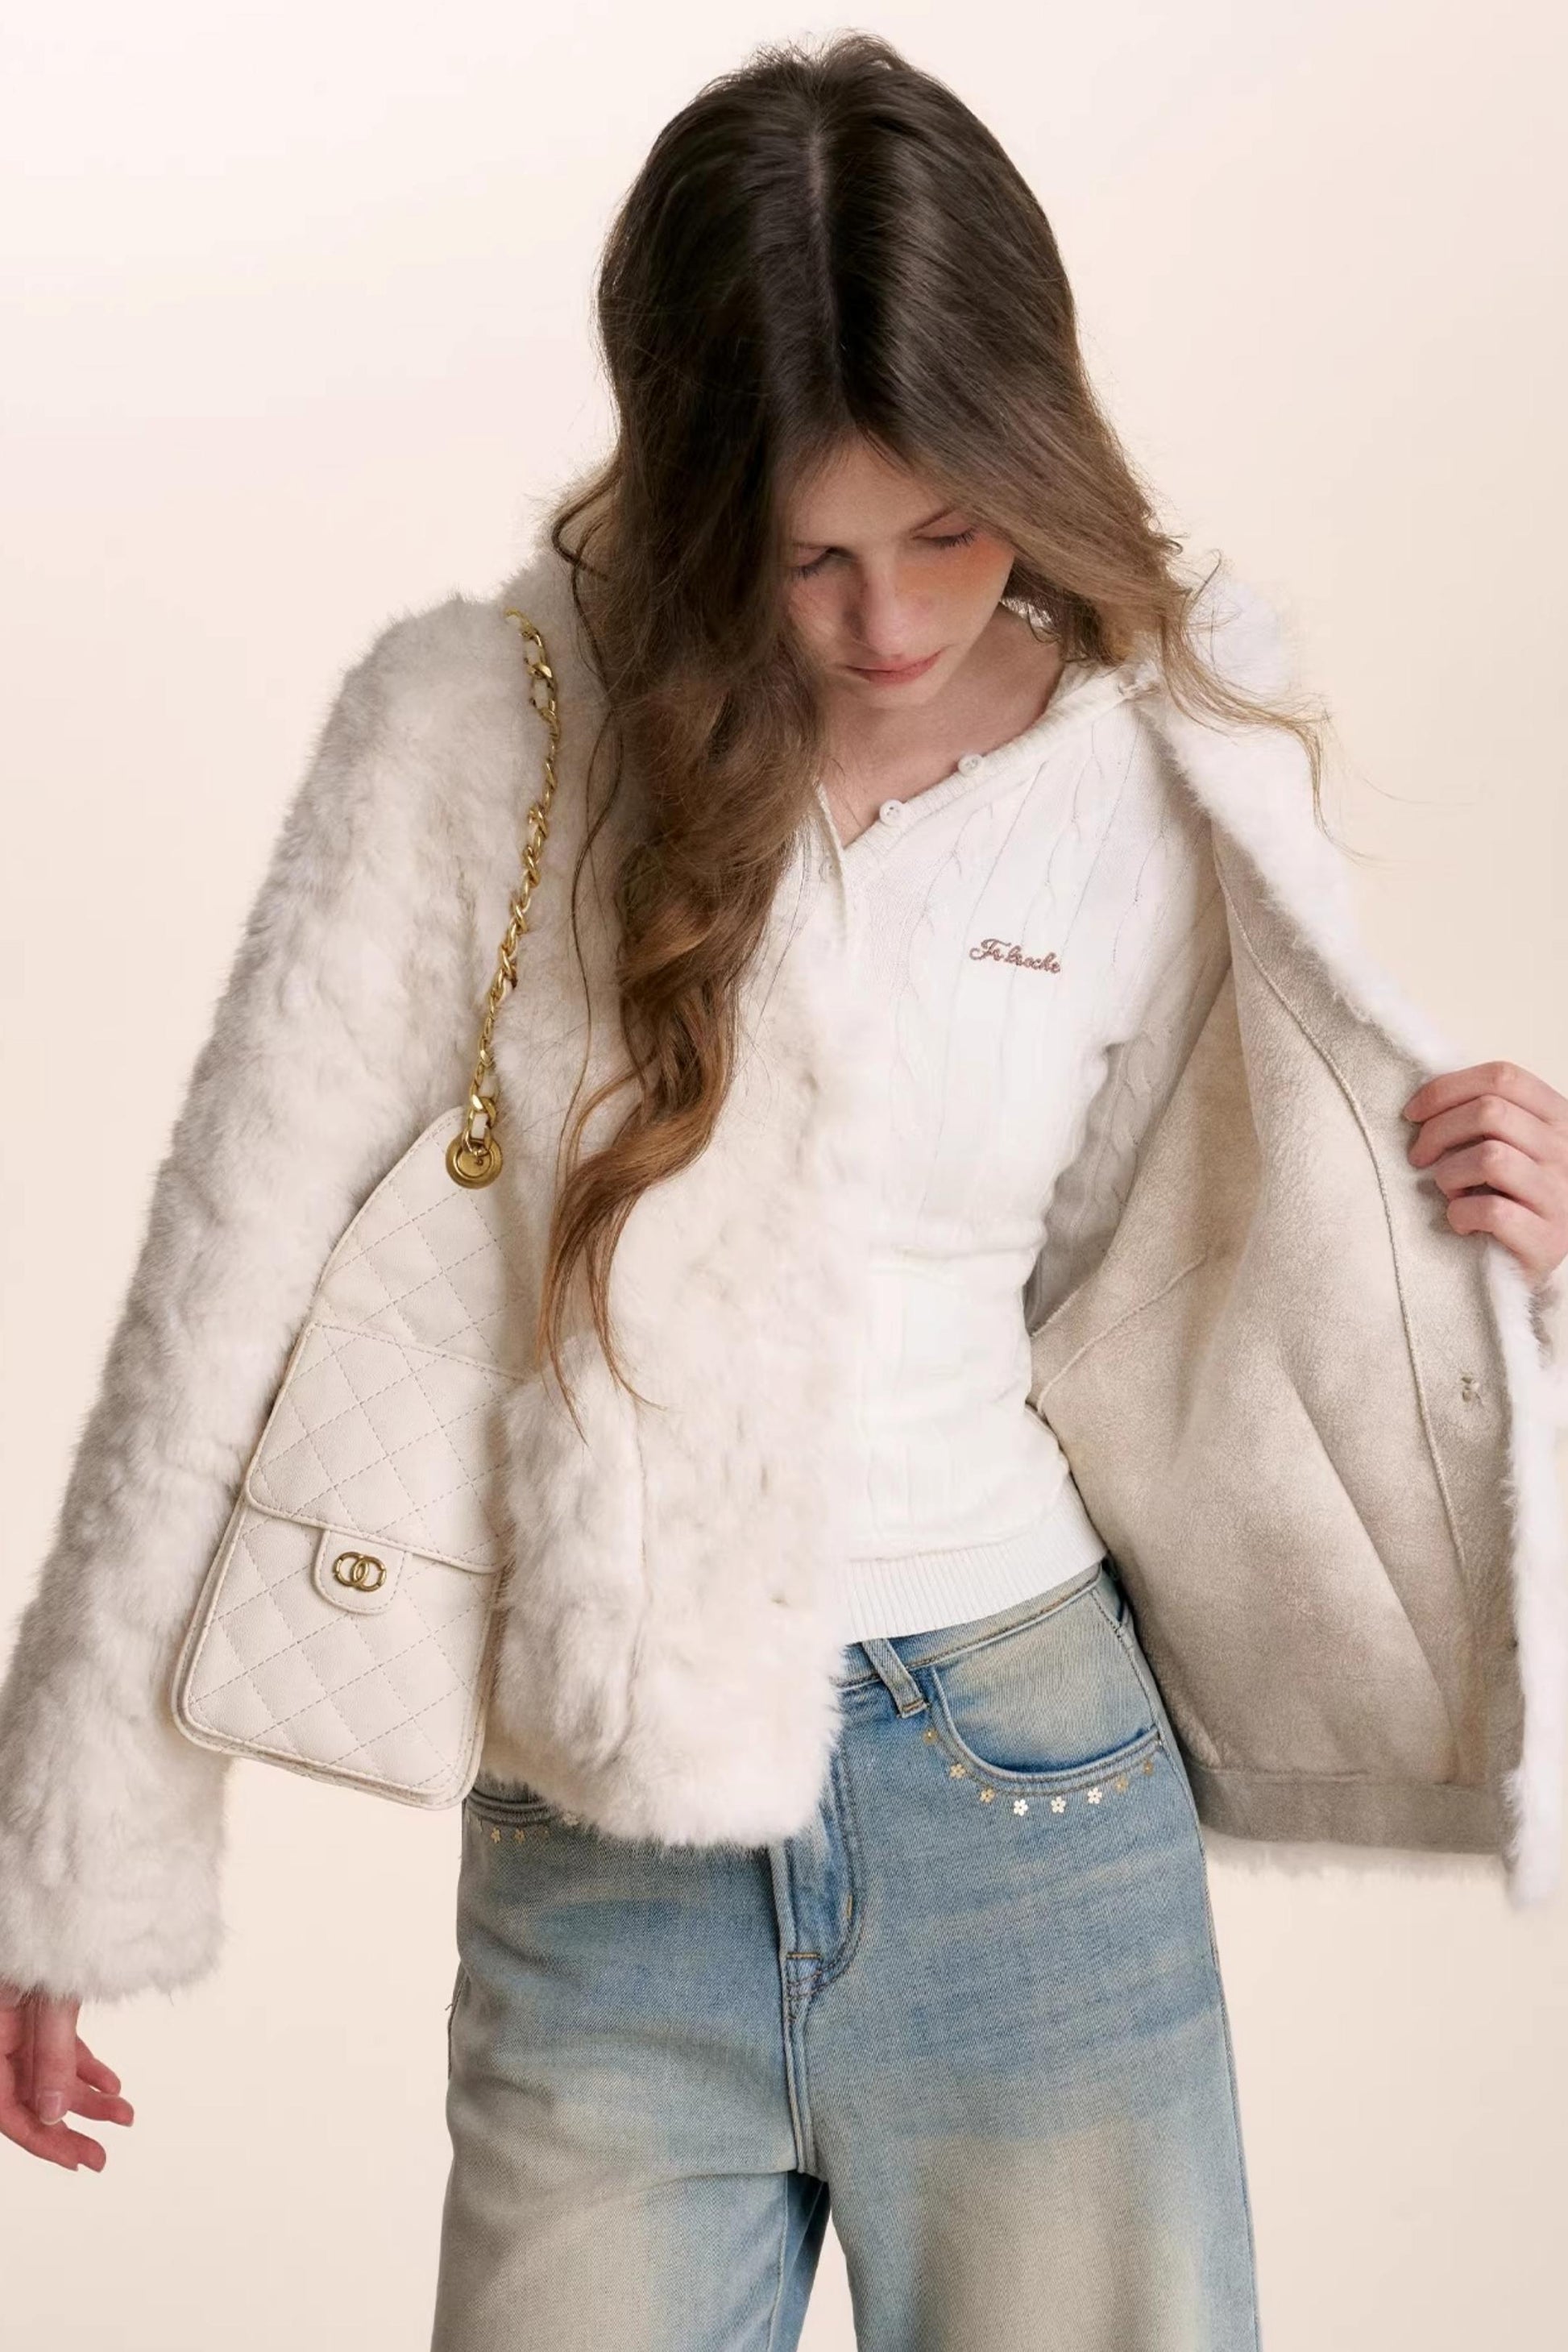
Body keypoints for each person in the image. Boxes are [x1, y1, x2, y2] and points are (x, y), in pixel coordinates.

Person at [3, 30, 1566, 2352]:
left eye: (950, 530)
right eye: (808, 554)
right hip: (601, 1855)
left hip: (1033, 1795)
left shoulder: (1157, 766)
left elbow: (1210, 1291)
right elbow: (220, 1277)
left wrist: (1516, 1256)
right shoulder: (483, 732)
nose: (889, 626)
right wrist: (66, 1850)